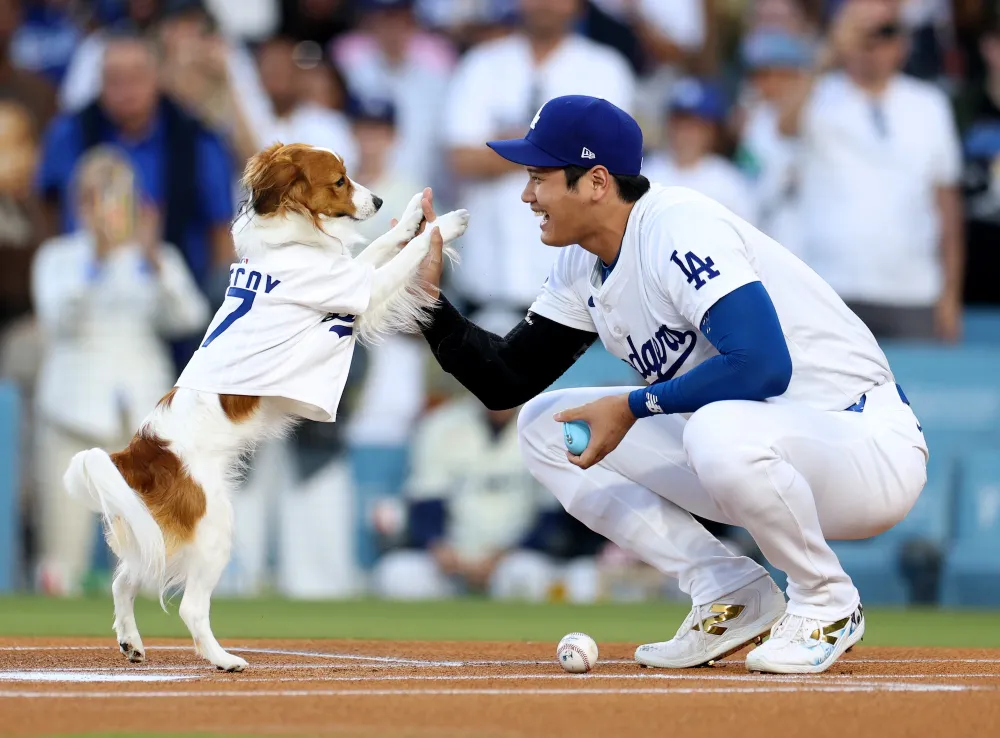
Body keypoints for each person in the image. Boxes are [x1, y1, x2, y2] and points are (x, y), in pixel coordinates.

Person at [409, 94, 927, 675]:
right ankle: (729, 590)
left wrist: (634, 405)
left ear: (597, 181)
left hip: (862, 441)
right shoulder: (581, 263)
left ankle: (826, 600)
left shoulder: (678, 226)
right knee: (546, 429)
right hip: (760, 452)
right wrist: (430, 306)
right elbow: (508, 379)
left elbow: (761, 364)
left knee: (716, 427)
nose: (527, 195)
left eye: (540, 177)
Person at [31, 146, 209, 595]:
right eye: (97, 197)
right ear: (81, 203)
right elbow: (58, 318)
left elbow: (189, 317)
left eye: (118, 196)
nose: (107, 208)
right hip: (70, 414)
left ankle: (151, 653)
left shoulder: (154, 257)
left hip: (138, 422)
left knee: (150, 550)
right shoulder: (59, 257)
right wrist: (97, 260)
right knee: (61, 556)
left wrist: (153, 261)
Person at [35, 31, 235, 365]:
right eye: (114, 79)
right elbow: (45, 203)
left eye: (136, 76)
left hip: (169, 295)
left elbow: (220, 228)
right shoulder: (70, 132)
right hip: (84, 301)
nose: (125, 89)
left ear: (158, 77)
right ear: (99, 81)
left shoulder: (196, 138)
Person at [777, 0, 964, 341]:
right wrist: (829, 49)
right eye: (863, 33)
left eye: (886, 31)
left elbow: (948, 206)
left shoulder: (930, 104)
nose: (874, 43)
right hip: (831, 289)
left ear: (904, 41)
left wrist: (950, 294)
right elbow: (783, 125)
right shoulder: (819, 94)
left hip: (914, 292)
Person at [442, 0, 635, 330]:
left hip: (576, 300)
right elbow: (461, 157)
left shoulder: (606, 68)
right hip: (488, 289)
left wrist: (509, 143)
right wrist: (559, 150)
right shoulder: (482, 64)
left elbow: (607, 168)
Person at [642, 77, 758, 225]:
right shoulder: (647, 173)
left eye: (694, 126)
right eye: (680, 124)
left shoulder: (729, 181)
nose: (685, 133)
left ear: (711, 131)